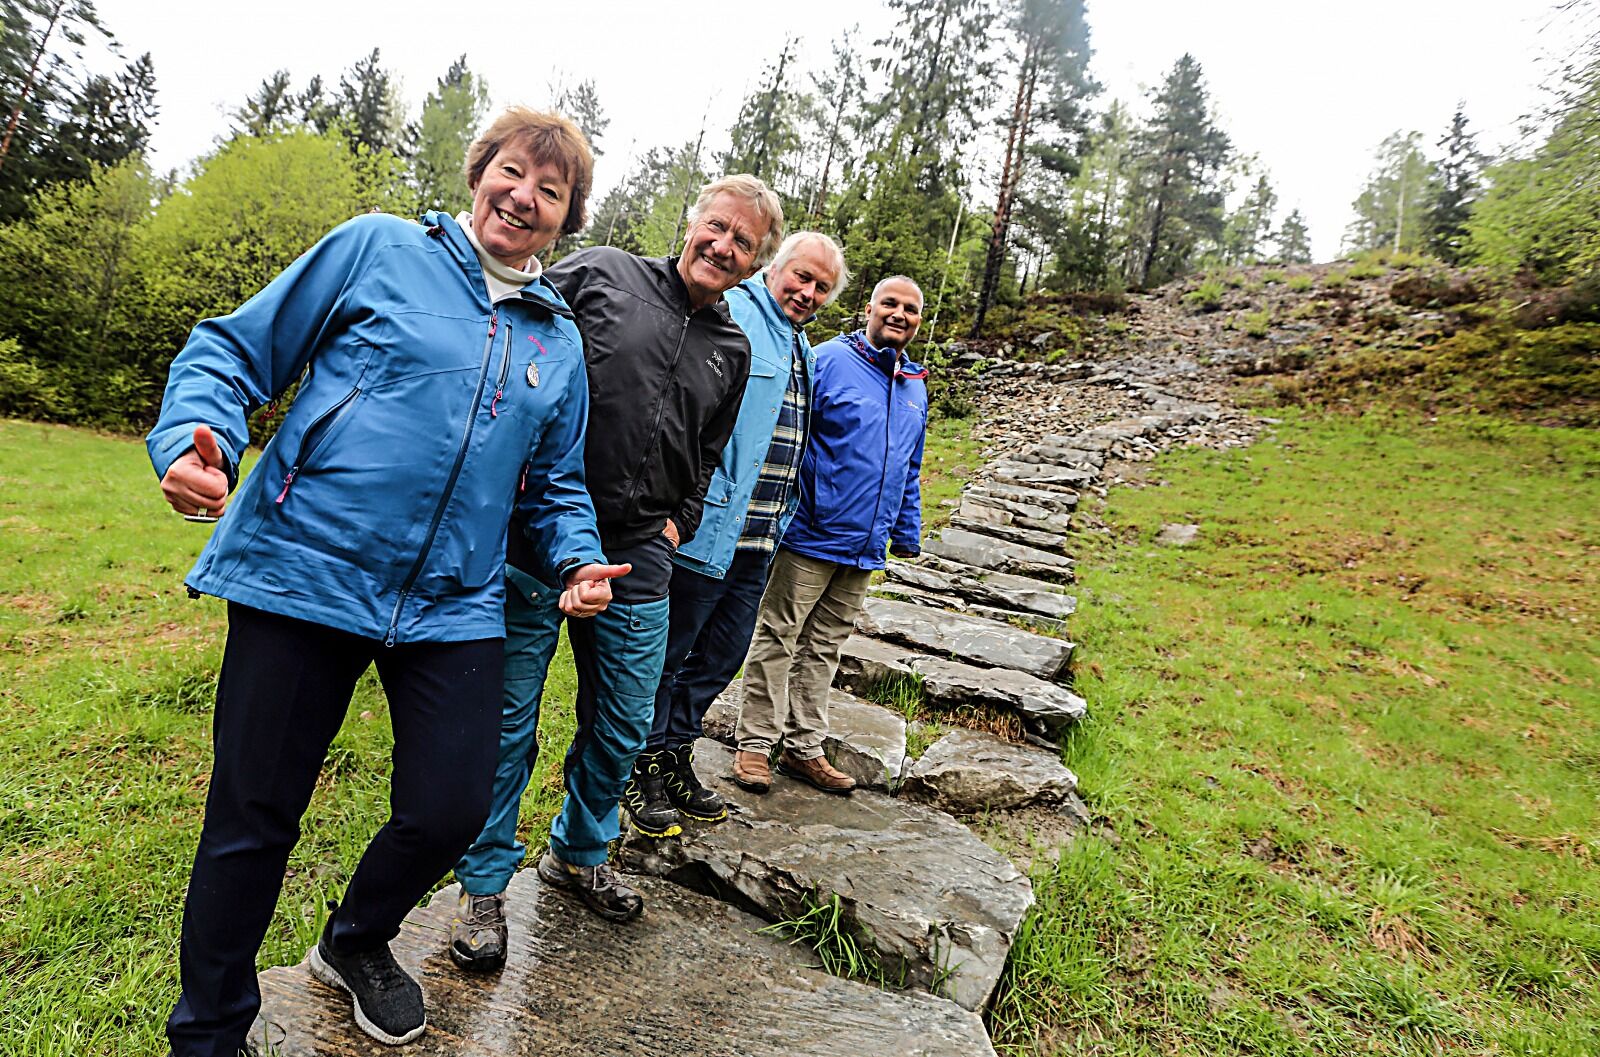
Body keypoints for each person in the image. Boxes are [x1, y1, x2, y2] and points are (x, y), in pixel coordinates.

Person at [147, 108, 622, 1054]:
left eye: (551, 190)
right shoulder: (377, 249)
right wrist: (200, 442)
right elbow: (234, 350)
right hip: (306, 570)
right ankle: (208, 1033)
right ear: (479, 174)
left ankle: (356, 938)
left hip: (454, 602)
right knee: (254, 816)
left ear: (566, 221)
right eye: (512, 171)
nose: (524, 196)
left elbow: (555, 485)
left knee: (452, 806)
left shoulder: (557, 342)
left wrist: (576, 556)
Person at [449, 175, 784, 969]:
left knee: (625, 721)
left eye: (742, 241)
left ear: (756, 263)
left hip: (638, 553)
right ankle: (485, 883)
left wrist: (678, 522)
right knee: (508, 721)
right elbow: (519, 331)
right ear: (691, 221)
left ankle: (578, 850)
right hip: (534, 537)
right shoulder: (602, 273)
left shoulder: (732, 348)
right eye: (716, 226)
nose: (722, 245)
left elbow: (709, 451)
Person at [622, 232, 848, 837]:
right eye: (802, 276)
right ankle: (639, 765)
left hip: (759, 539)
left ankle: (675, 754)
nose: (809, 292)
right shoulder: (735, 315)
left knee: (719, 657)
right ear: (774, 268)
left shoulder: (799, 343)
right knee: (670, 657)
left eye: (822, 287)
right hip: (706, 529)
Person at [732, 276, 930, 795]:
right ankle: (755, 743)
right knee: (778, 634)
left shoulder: (914, 386)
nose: (899, 314)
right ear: (869, 308)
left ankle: (803, 747)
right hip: (809, 531)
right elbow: (785, 435)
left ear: (918, 320)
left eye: (910, 309)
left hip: (865, 546)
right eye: (890, 303)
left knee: (825, 646)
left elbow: (909, 468)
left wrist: (905, 531)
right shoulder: (827, 361)